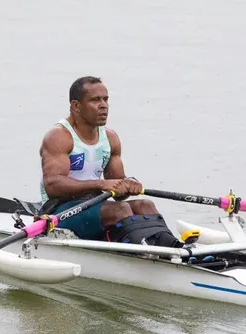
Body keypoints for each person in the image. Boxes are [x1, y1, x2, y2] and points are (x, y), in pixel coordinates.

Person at [39, 76, 177, 245]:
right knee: (121, 210)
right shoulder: (59, 137)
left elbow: (119, 192)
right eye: (95, 100)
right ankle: (140, 253)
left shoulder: (110, 138)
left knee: (145, 205)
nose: (103, 105)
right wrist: (100, 184)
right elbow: (53, 186)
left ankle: (171, 248)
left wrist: (129, 184)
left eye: (105, 99)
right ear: (76, 106)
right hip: (59, 211)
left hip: (93, 205)